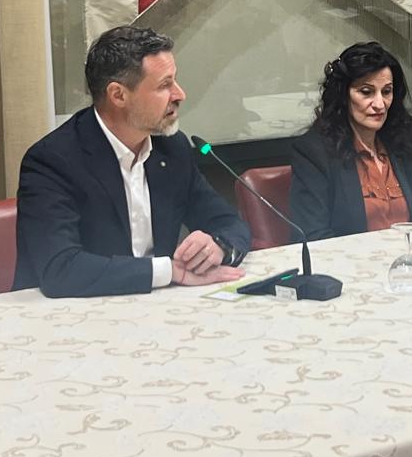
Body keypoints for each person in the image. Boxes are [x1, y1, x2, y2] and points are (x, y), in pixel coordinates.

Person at [15, 26, 250, 297]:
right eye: (164, 85)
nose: (179, 94)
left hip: (155, 305)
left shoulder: (171, 149)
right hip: (71, 313)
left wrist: (218, 246)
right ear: (118, 95)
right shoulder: (53, 161)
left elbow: (228, 222)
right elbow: (61, 269)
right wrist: (167, 271)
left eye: (175, 81)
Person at [289, 42, 412, 241]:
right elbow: (313, 235)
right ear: (343, 95)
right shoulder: (314, 152)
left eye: (386, 91)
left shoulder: (395, 144)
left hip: (409, 256)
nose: (380, 104)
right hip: (353, 259)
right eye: (366, 92)